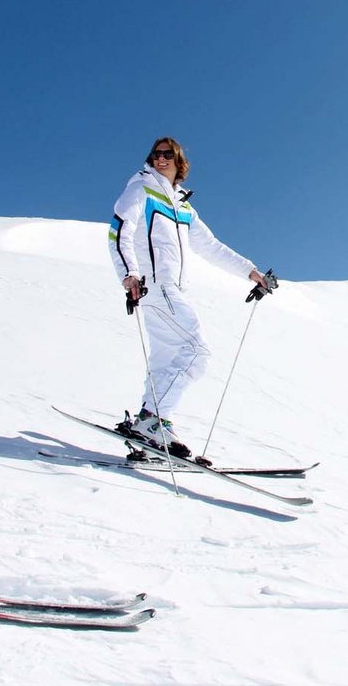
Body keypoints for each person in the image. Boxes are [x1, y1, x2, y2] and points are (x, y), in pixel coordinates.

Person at [108, 137, 271, 461]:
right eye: (156, 153)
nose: (161, 158)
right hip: (156, 286)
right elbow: (120, 230)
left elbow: (211, 246)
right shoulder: (141, 190)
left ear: (179, 162)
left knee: (166, 361)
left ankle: (151, 430)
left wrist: (250, 271)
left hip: (175, 289)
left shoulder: (183, 207)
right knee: (197, 351)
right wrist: (129, 273)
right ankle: (151, 423)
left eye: (168, 154)